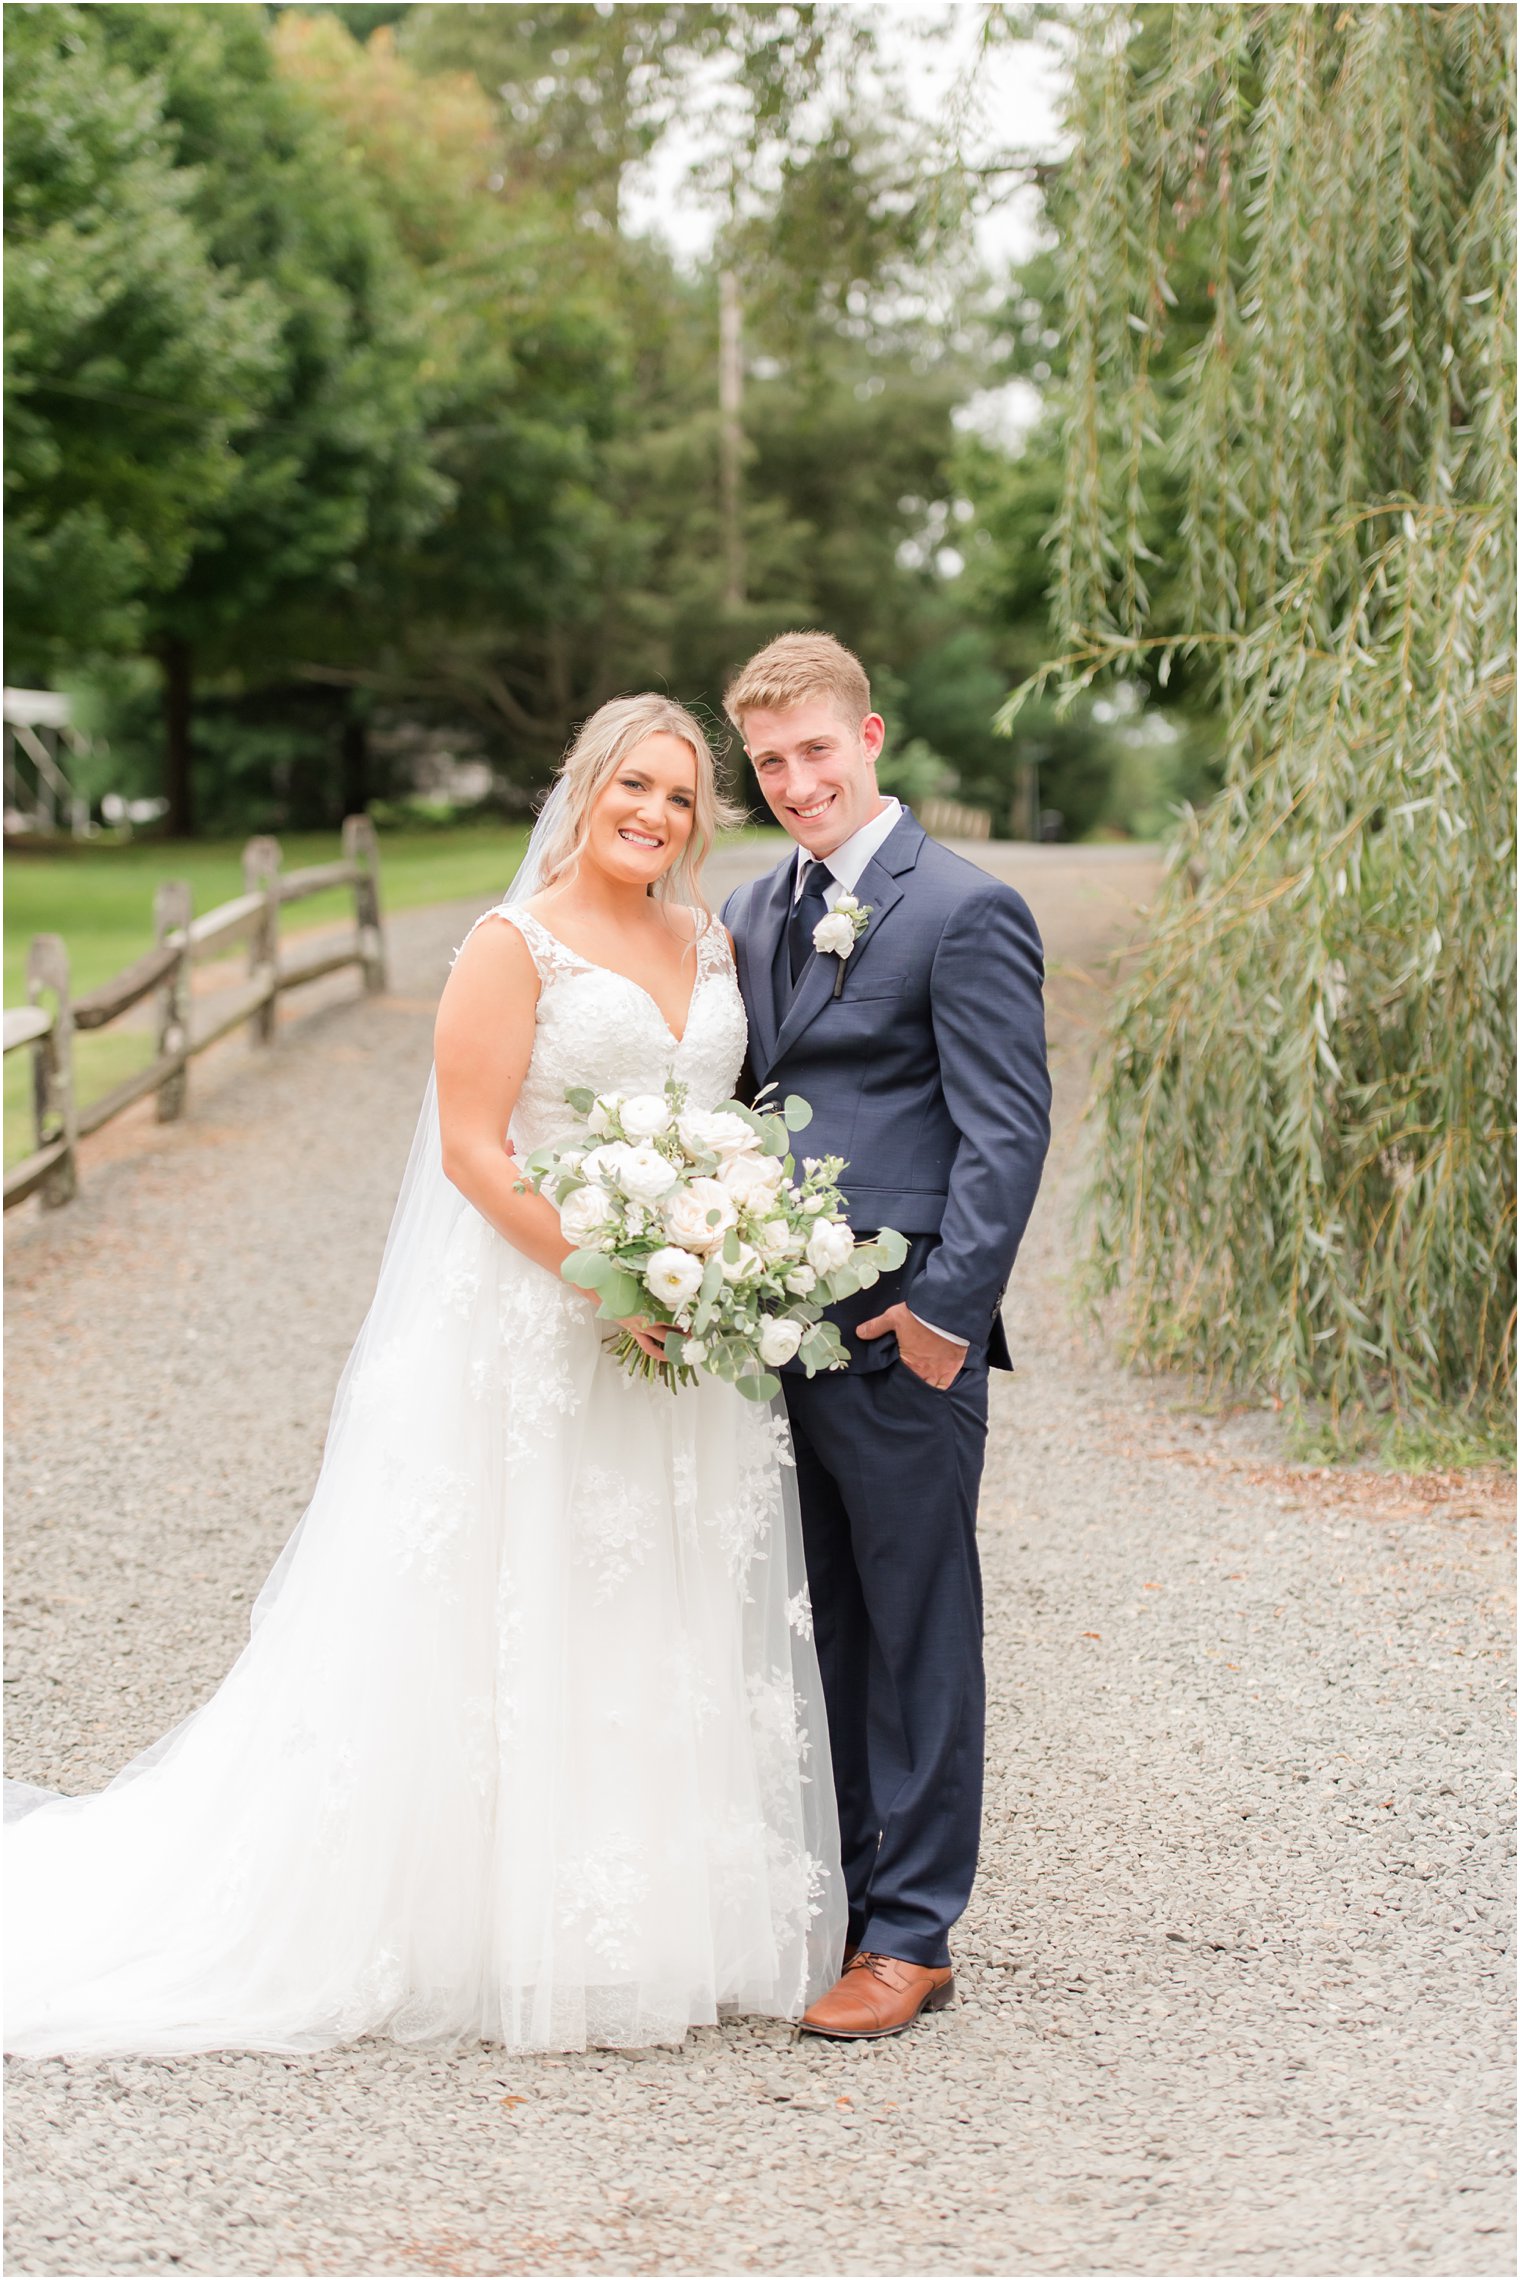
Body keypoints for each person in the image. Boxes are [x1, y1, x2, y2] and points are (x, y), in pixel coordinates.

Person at [4, 694, 845, 2059]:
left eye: (683, 798)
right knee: (519, 1600)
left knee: (656, 1604)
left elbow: (719, 1121)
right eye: (635, 785)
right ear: (584, 788)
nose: (656, 814)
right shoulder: (512, 945)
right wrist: (607, 1278)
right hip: (543, 1321)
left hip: (685, 1334)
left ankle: (650, 1914)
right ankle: (486, 1922)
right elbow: (473, 1149)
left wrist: (716, 1256)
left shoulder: (709, 938)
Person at [722, 632, 1051, 2040]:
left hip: (898, 1323)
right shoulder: (750, 910)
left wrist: (945, 1319)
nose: (797, 781)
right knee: (817, 1620)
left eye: (815, 750)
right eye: (770, 761)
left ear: (869, 739)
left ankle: (914, 1932)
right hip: (765, 1330)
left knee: (914, 1619)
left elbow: (1006, 1128)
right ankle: (846, 1904)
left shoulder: (963, 909)